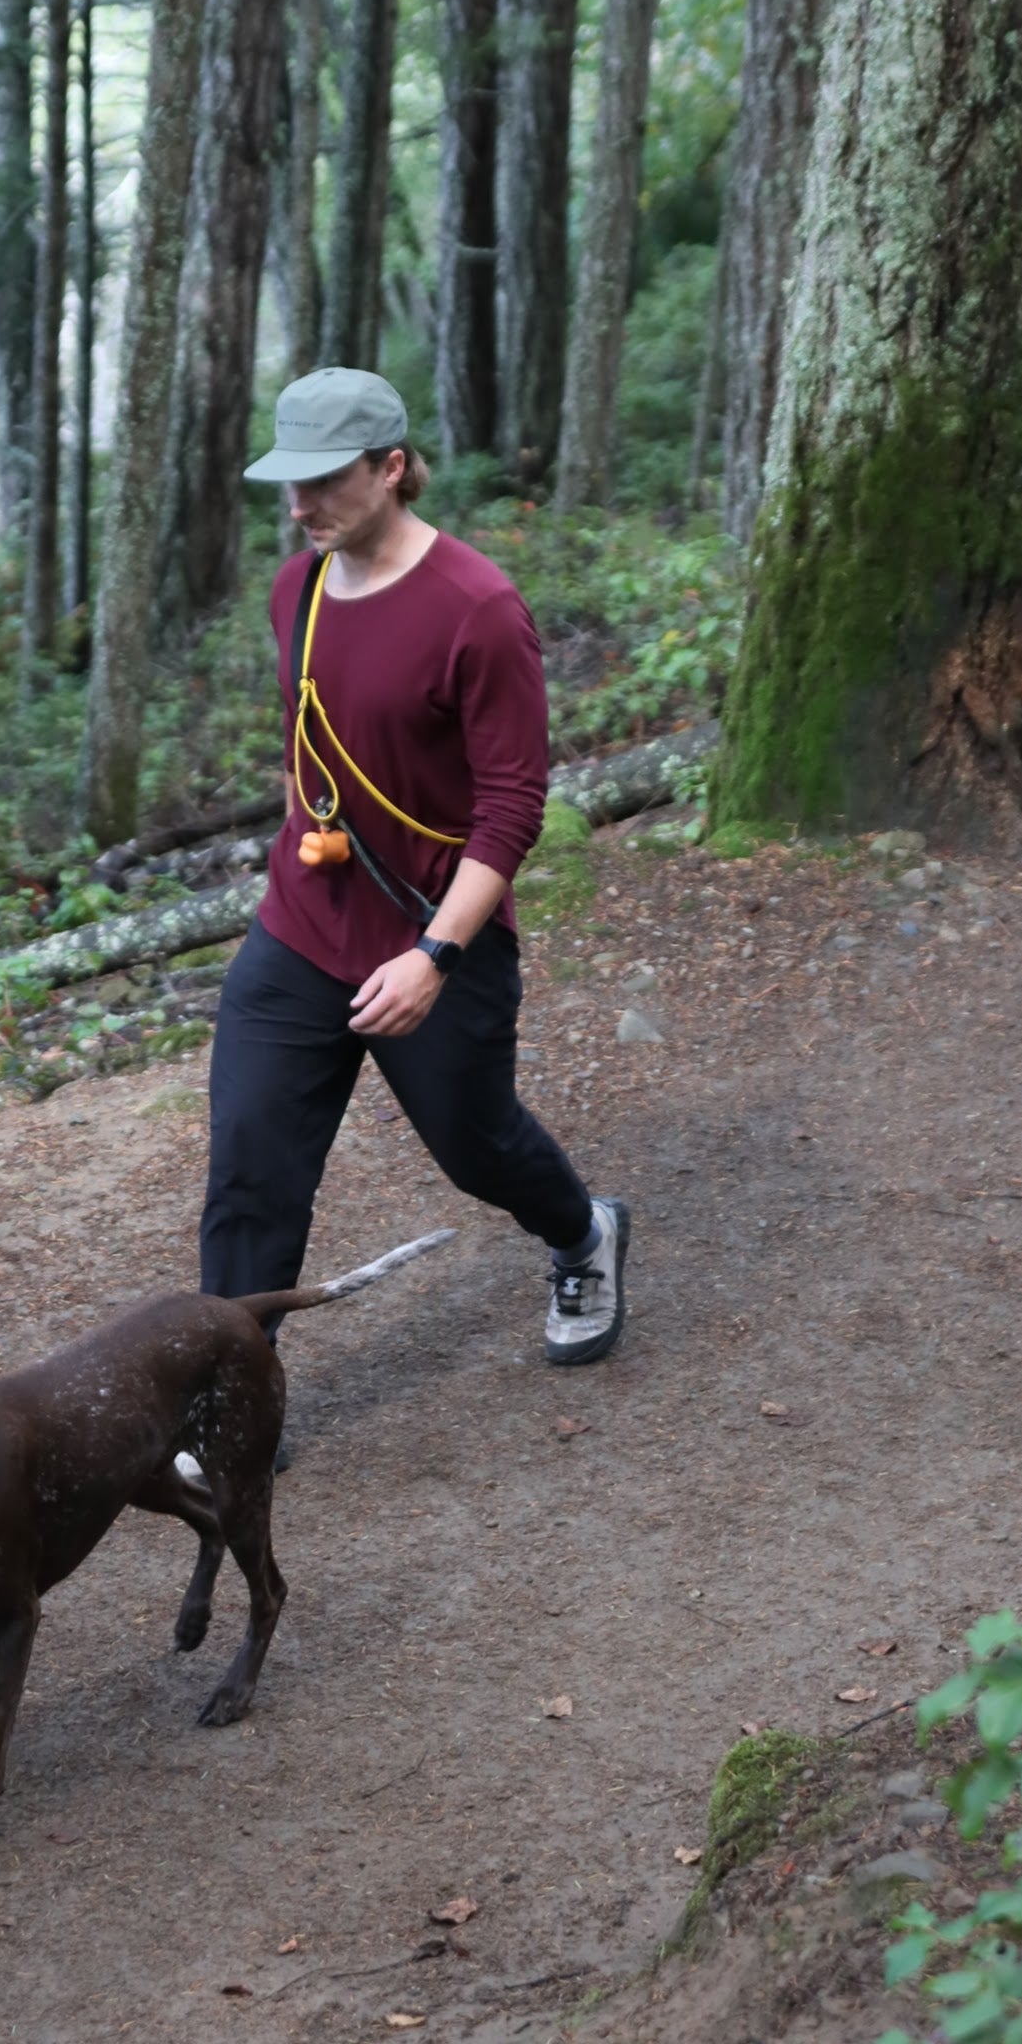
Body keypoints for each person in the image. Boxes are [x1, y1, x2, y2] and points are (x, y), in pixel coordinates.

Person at [199, 366, 629, 1382]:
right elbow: (315, 754)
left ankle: (582, 1235)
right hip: (302, 924)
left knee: (477, 1146)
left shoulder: (478, 609)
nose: (299, 505)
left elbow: (512, 807)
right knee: (251, 1161)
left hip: (439, 933)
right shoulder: (294, 590)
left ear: (392, 469)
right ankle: (229, 1396)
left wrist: (435, 954)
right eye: (287, 483)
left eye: (324, 480)